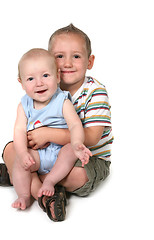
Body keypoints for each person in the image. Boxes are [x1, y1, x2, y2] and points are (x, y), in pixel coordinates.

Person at [0, 24, 113, 221]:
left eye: (76, 56)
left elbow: (91, 137)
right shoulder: (44, 87)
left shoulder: (95, 92)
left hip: (86, 158)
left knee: (79, 176)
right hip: (46, 154)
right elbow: (21, 127)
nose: (67, 63)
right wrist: (25, 149)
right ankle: (43, 190)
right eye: (60, 56)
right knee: (11, 149)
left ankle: (21, 178)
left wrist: (47, 134)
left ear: (90, 61)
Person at [9, 48, 91, 210]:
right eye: (31, 79)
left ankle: (49, 181)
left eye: (46, 76)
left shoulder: (62, 101)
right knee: (19, 161)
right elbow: (18, 131)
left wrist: (76, 143)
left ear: (58, 76)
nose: (39, 83)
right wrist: (23, 153)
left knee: (69, 151)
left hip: (60, 153)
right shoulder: (24, 105)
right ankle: (24, 195)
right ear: (22, 83)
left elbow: (75, 125)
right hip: (38, 155)